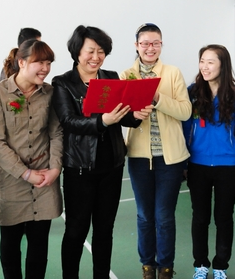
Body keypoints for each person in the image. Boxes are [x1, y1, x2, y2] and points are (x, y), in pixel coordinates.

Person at [52, 25, 149, 279]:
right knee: (76, 230)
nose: (96, 57)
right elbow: (68, 121)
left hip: (112, 166)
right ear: (77, 52)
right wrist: (102, 121)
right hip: (80, 169)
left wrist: (135, 116)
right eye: (91, 51)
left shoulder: (111, 77)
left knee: (105, 229)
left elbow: (122, 116)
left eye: (101, 51)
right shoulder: (63, 83)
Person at [0, 39, 63, 279]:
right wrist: (25, 173)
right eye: (40, 62)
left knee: (39, 245)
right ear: (21, 62)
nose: (45, 68)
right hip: (11, 182)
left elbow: (56, 133)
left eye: (49, 63)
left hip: (44, 181)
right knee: (10, 245)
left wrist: (55, 169)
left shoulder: (50, 93)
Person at [121, 23, 192, 279]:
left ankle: (166, 267)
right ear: (136, 45)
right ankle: (147, 265)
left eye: (156, 43)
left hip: (170, 159)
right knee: (144, 216)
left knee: (164, 216)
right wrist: (132, 114)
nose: (150, 48)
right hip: (139, 157)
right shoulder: (126, 75)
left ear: (161, 45)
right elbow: (120, 114)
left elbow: (185, 112)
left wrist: (158, 98)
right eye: (145, 43)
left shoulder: (172, 73)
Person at [183, 44, 235, 279]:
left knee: (224, 218)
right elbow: (185, 127)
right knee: (200, 217)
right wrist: (184, 163)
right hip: (197, 165)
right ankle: (200, 264)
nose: (204, 66)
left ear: (223, 65)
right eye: (202, 61)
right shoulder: (192, 92)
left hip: (228, 166)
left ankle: (221, 265)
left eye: (210, 62)